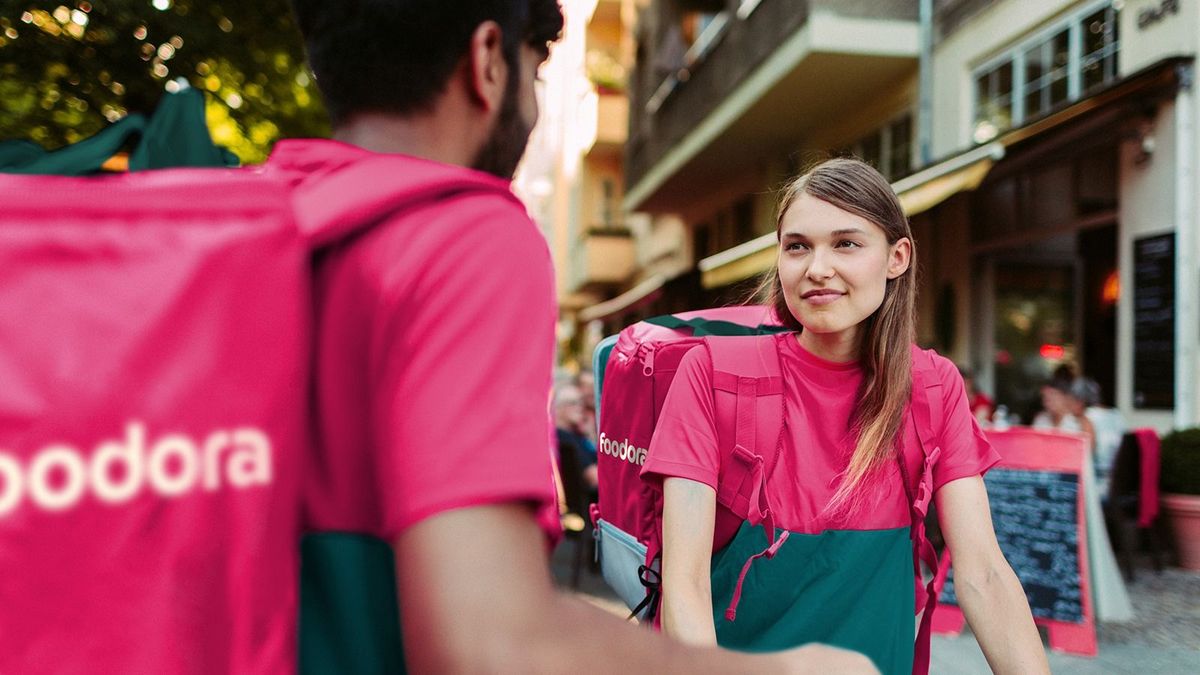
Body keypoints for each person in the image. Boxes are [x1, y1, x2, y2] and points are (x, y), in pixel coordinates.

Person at [277, 1, 876, 672]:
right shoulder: (464, 235)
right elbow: (489, 639)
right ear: (487, 62)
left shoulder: (260, 220)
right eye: (535, 72)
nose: (532, 106)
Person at [644, 158, 1050, 674]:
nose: (816, 268)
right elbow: (686, 584)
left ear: (897, 256)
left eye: (846, 243)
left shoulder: (933, 386)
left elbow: (984, 574)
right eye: (797, 246)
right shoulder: (712, 372)